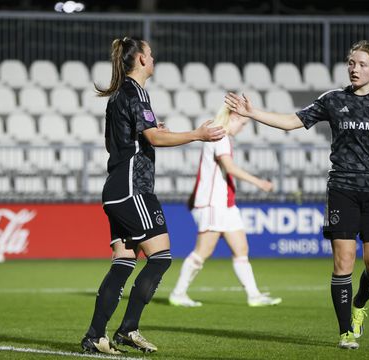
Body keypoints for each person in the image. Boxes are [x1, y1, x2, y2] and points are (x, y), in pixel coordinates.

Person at [225, 40, 369, 349]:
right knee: (344, 261)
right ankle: (345, 331)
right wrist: (252, 112)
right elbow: (291, 123)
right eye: (351, 63)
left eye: (362, 64)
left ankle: (360, 305)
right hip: (342, 190)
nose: (354, 68)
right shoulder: (333, 100)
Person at [81, 36, 225, 355]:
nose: (154, 57)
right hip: (134, 189)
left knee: (124, 261)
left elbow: (119, 142)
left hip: (116, 188)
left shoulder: (119, 96)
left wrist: (149, 133)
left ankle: (95, 336)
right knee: (160, 258)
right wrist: (198, 135)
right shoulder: (137, 92)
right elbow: (154, 138)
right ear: (142, 60)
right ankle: (127, 329)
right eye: (150, 53)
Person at [168, 105, 282, 308]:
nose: (243, 128)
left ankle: (254, 295)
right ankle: (178, 293)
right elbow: (229, 167)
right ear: (234, 116)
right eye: (243, 123)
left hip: (226, 204)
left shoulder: (220, 135)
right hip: (214, 204)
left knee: (241, 249)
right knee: (203, 251)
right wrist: (259, 182)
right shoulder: (219, 135)